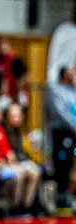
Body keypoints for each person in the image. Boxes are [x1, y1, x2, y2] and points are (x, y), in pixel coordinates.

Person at [47, 67, 76, 209]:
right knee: (62, 164)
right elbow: (60, 112)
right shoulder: (55, 90)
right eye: (72, 73)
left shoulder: (72, 91)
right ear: (64, 74)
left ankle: (69, 196)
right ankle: (60, 198)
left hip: (73, 133)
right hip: (62, 133)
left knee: (71, 163)